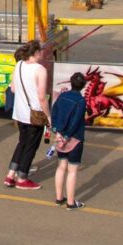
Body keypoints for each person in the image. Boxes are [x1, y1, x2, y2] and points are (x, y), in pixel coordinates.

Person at [3, 40, 50, 190]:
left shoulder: (19, 64)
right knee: (31, 146)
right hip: (34, 113)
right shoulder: (40, 70)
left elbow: (13, 89)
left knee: (22, 142)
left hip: (20, 112)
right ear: (36, 52)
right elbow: (42, 97)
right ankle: (22, 178)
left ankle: (11, 174)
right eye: (41, 51)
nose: (42, 53)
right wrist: (48, 116)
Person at [51, 72, 87, 210]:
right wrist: (67, 136)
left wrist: (57, 131)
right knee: (72, 171)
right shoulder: (81, 101)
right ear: (83, 86)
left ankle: (59, 197)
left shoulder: (62, 96)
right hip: (74, 139)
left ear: (71, 83)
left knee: (61, 167)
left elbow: (54, 113)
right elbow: (76, 121)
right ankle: (71, 202)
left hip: (60, 137)